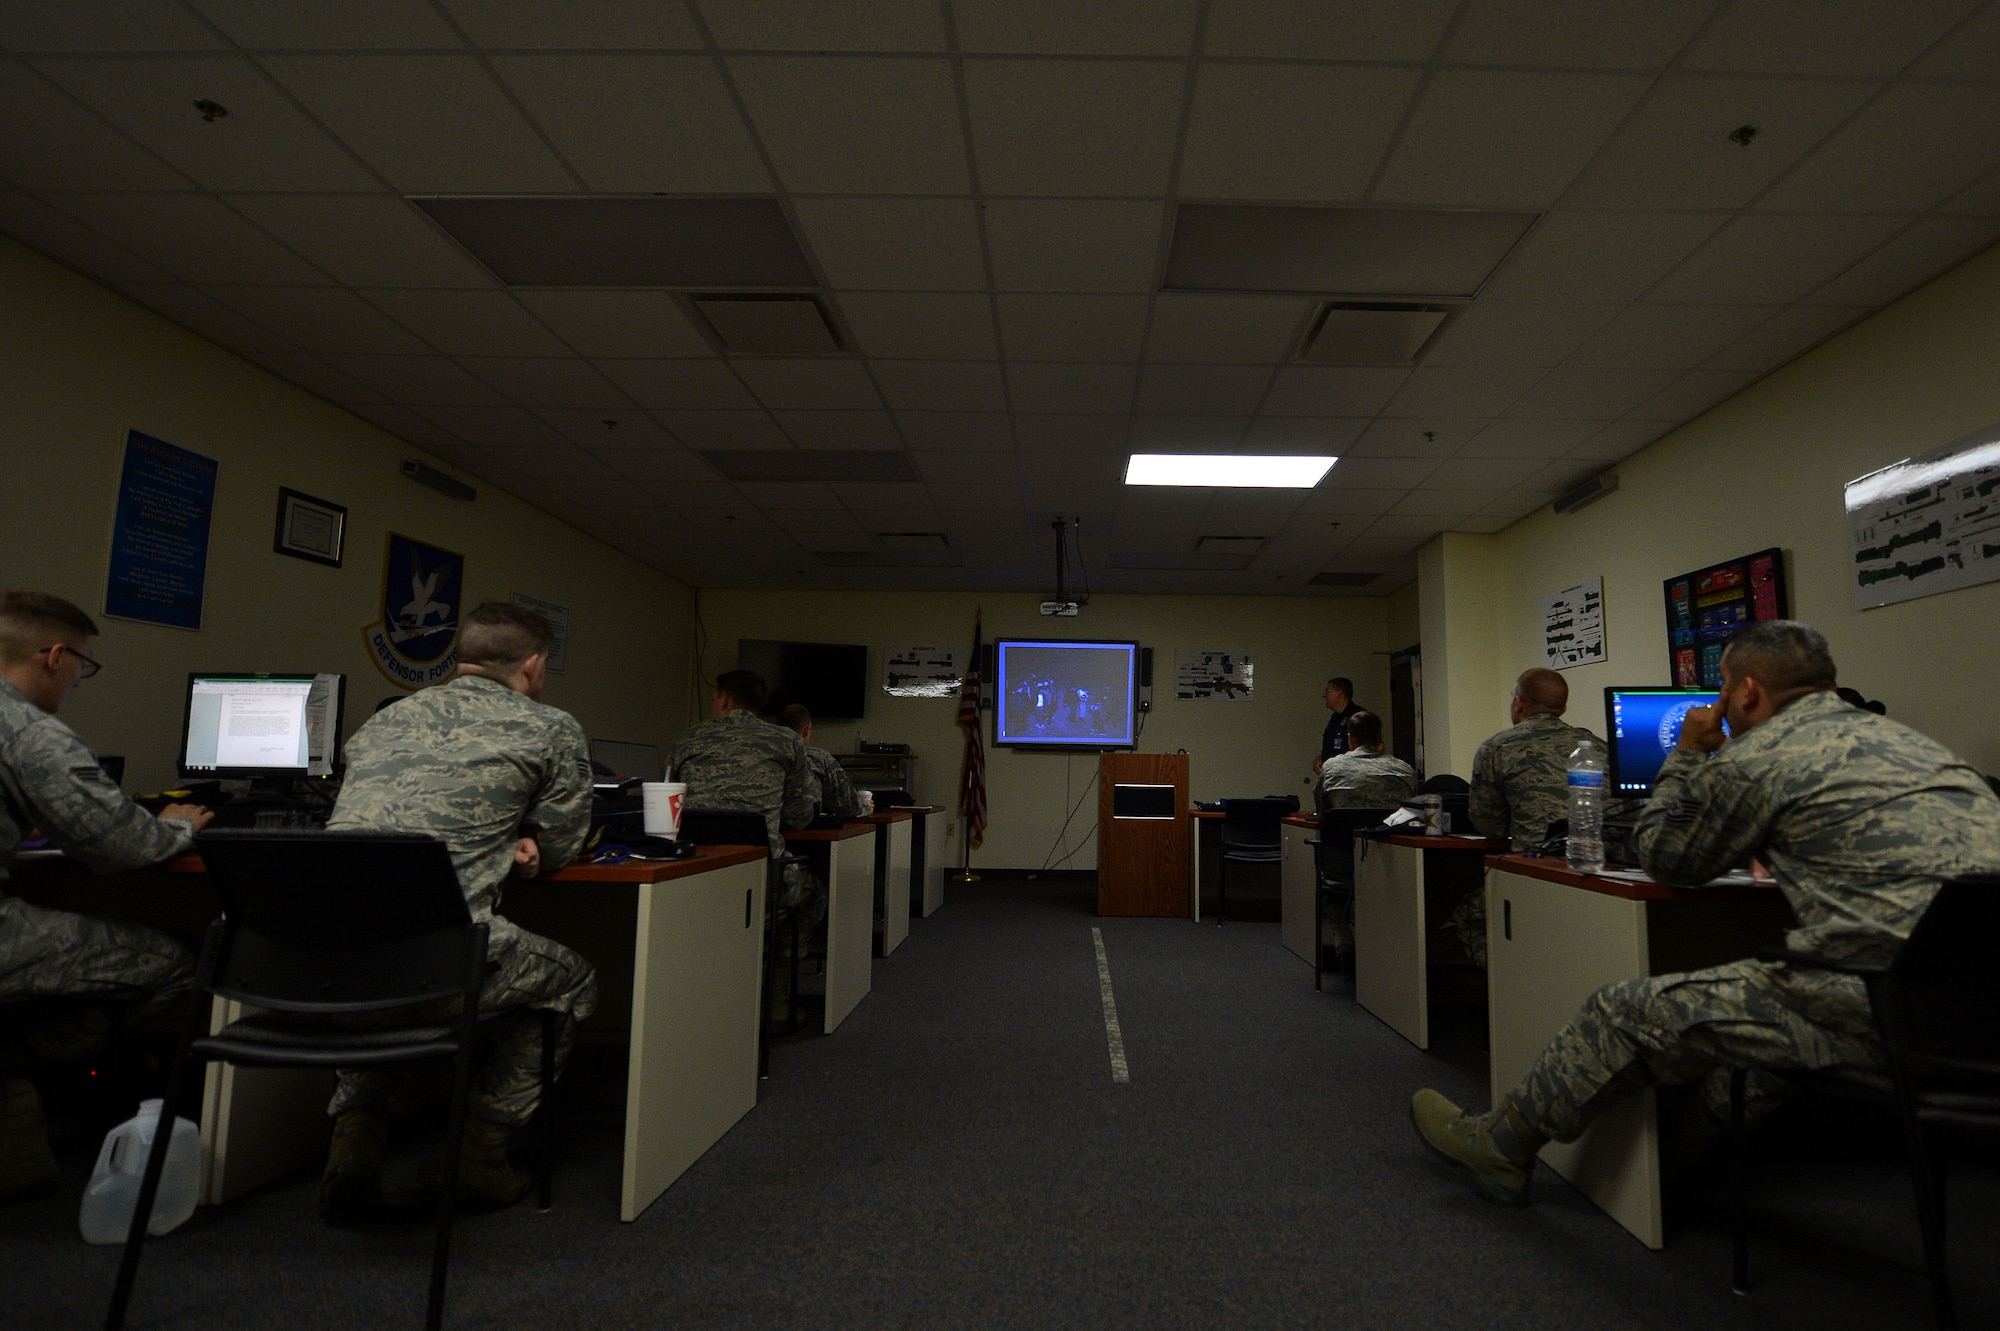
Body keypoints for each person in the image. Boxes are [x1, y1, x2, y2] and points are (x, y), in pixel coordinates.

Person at [1411, 621, 2000, 1206]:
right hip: (1975, 1014)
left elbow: (1666, 856)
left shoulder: (1762, 754)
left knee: (1618, 1010)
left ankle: (1500, 1145)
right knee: (1750, 1065)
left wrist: (1688, 755)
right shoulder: (1919, 748)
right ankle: (1673, 1178)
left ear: (1745, 692)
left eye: (1720, 689)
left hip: (1877, 1002)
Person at [320, 602, 596, 1218]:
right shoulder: (549, 728)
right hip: (442, 966)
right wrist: (519, 840)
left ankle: (355, 1147)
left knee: (381, 976)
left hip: (327, 967)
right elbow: (559, 847)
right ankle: (476, 1159)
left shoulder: (382, 723)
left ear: (460, 657)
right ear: (533, 664)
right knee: (570, 983)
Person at [0, 591, 213, 1204]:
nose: (76, 682)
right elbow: (121, 846)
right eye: (82, 667)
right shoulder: (29, 729)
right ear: (55, 656)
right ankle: (12, 1066)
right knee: (185, 964)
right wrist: (178, 825)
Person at [671, 671, 824, 933]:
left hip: (691, 873)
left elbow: (667, 806)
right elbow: (800, 817)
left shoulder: (688, 739)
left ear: (723, 699)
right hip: (763, 878)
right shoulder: (786, 741)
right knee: (814, 893)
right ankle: (777, 966)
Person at [1468, 667, 1605, 852]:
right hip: (1601, 860)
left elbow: (1490, 826)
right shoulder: (1598, 747)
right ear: (1563, 709)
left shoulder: (1495, 747)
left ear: (1518, 703)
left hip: (1535, 864)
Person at [775, 703, 872, 822]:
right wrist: (865, 806)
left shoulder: (762, 754)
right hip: (803, 830)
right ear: (806, 730)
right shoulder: (819, 758)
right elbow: (846, 805)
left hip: (762, 829)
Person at [1315, 710, 1418, 811]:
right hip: (1392, 827)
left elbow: (1321, 810)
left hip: (1345, 827)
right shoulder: (1405, 771)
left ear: (1350, 739)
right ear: (1380, 739)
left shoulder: (1331, 768)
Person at [1315, 677, 1362, 772]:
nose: (1324, 695)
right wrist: (1322, 757)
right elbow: (1334, 746)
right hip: (1334, 773)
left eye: (1328, 691)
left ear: (1339, 694)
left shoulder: (1358, 717)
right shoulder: (1335, 718)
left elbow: (1363, 749)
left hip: (1350, 773)